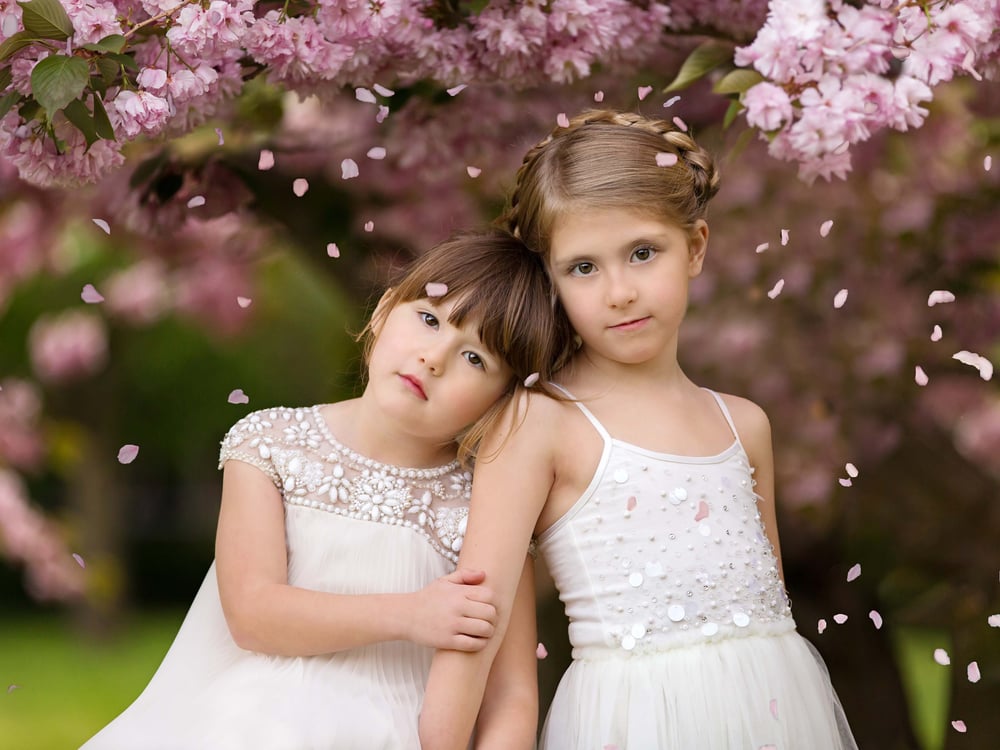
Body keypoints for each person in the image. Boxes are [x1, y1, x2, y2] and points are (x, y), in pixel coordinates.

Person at [420, 110, 858, 750]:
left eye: (643, 253)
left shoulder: (744, 425)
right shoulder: (541, 421)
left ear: (697, 247)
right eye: (583, 268)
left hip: (776, 716)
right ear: (552, 280)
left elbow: (769, 619)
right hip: (633, 725)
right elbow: (475, 624)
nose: (620, 291)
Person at [80, 228, 574, 750]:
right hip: (262, 719)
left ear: (501, 399)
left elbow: (511, 697)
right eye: (429, 319)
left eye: (476, 358)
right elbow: (253, 613)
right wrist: (412, 614)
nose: (435, 357)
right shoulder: (272, 444)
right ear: (384, 311)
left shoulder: (491, 504)